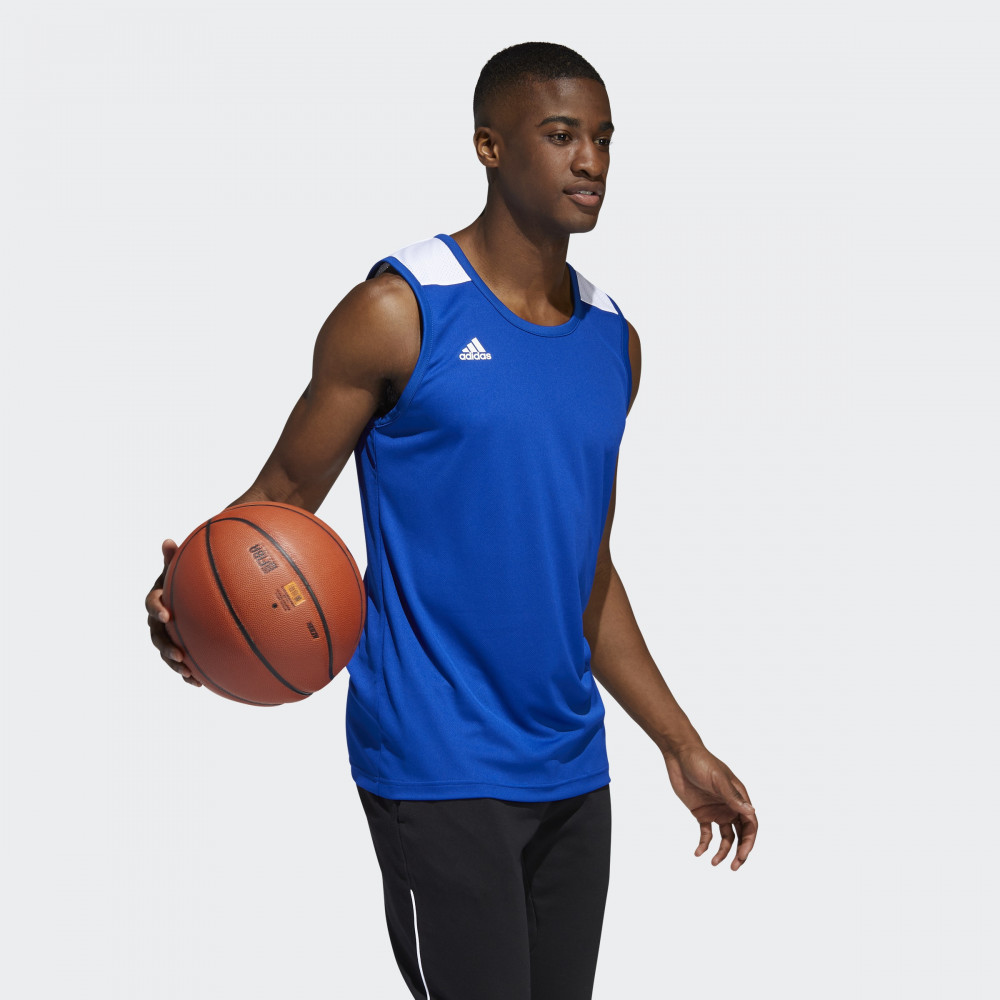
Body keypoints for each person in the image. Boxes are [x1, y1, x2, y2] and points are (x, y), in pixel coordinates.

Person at [145, 42, 757, 1000]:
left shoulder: (614, 342)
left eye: (603, 139)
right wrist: (186, 597)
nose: (590, 160)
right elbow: (280, 498)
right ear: (489, 146)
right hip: (436, 761)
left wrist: (680, 743)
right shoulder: (400, 311)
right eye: (561, 135)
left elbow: (585, 572)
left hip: (571, 764)